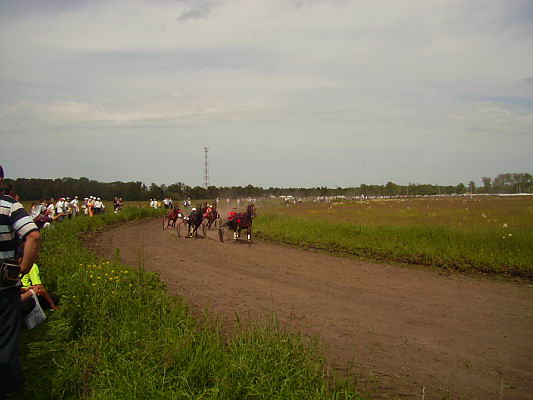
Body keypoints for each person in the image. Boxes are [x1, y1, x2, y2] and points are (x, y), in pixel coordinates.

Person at [0, 165, 41, 397]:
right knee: (6, 340)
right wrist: (24, 267)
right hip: (5, 284)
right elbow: (33, 235)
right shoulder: (8, 205)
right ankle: (11, 389)